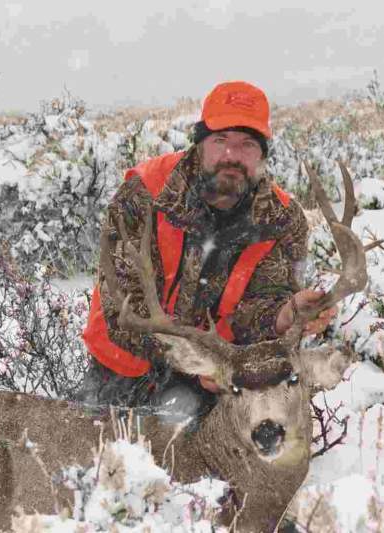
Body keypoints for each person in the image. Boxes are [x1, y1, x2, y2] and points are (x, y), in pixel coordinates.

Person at [79, 81, 337, 410]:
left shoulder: (282, 220)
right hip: (125, 369)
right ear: (199, 145)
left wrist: (284, 316)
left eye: (247, 144)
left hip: (218, 378)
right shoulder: (144, 194)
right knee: (109, 457)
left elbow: (258, 311)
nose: (232, 156)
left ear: (262, 155)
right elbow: (122, 311)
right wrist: (196, 361)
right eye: (220, 140)